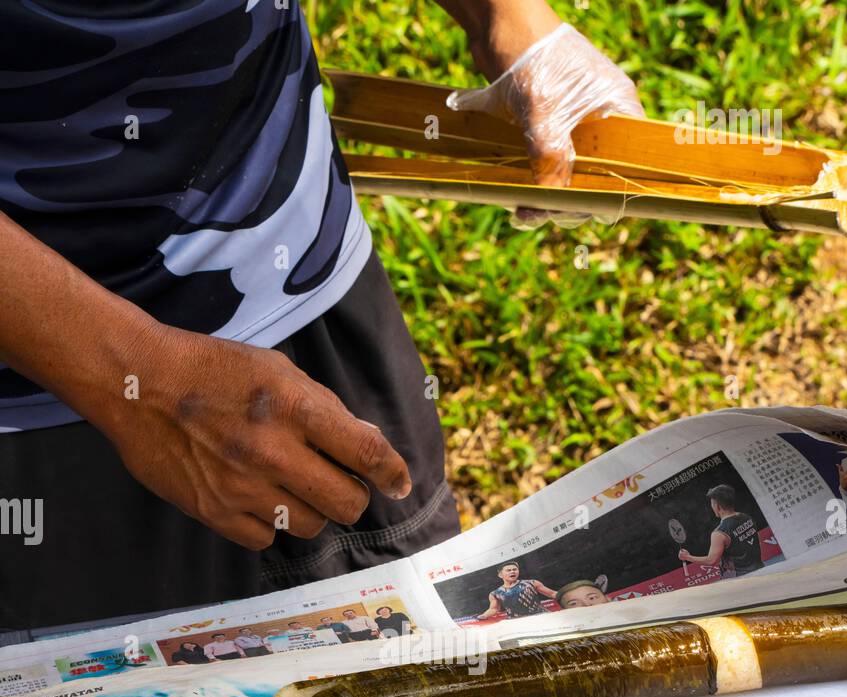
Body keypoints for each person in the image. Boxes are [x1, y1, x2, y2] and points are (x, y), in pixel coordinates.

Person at [0, 4, 641, 632]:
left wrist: (508, 19)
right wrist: (139, 382)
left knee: (417, 664)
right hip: (48, 390)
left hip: (313, 286)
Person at [678, 485, 764, 579]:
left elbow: (712, 560)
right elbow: (741, 548)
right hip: (762, 570)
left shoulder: (719, 533)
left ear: (718, 506)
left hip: (742, 579)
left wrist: (687, 557)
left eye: (712, 504)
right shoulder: (747, 518)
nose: (712, 507)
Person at [478, 561, 557, 620]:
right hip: (516, 621)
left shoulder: (532, 583)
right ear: (500, 575)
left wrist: (567, 594)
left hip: (540, 616)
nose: (512, 571)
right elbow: (494, 609)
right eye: (508, 570)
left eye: (514, 569)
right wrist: (484, 615)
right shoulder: (495, 593)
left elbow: (552, 593)